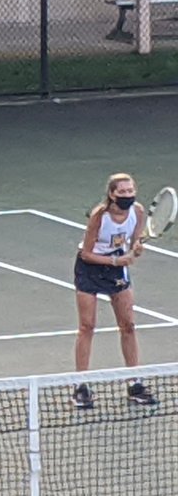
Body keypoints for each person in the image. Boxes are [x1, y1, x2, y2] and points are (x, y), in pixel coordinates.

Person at [71, 173, 157, 408]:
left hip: (116, 270)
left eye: (131, 191)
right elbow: (87, 253)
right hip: (90, 269)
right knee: (87, 326)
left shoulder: (137, 211)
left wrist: (136, 250)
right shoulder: (100, 216)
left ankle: (135, 384)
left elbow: (134, 241)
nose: (128, 195)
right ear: (112, 194)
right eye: (123, 192)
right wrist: (116, 262)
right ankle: (81, 385)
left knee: (128, 325)